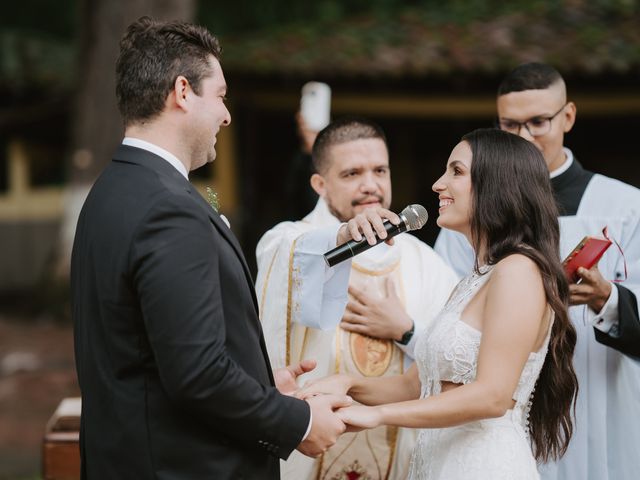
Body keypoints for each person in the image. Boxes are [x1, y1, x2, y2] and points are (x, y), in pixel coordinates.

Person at [70, 17, 354, 480]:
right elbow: (197, 374)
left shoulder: (110, 191)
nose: (226, 114)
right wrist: (295, 421)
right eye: (220, 95)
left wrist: (261, 389)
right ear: (183, 92)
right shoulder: (169, 209)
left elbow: (149, 353)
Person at [298, 128, 579, 480]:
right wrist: (347, 384)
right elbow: (414, 385)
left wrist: (378, 416)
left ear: (498, 184)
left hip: (484, 467)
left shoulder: (519, 271)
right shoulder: (474, 280)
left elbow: (493, 396)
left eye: (456, 172)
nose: (437, 184)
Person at [435, 63, 640, 480]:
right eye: (510, 124)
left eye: (538, 122)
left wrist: (607, 299)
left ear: (567, 117)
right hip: (501, 411)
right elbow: (443, 315)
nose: (524, 136)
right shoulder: (467, 216)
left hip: (598, 396)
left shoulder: (625, 207)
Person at [256, 117, 458, 479]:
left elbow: (457, 357)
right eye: (352, 174)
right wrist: (341, 236)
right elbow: (286, 260)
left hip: (398, 453)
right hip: (306, 458)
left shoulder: (425, 262)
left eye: (380, 170)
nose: (370, 185)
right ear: (320, 183)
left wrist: (406, 330)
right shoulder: (291, 241)